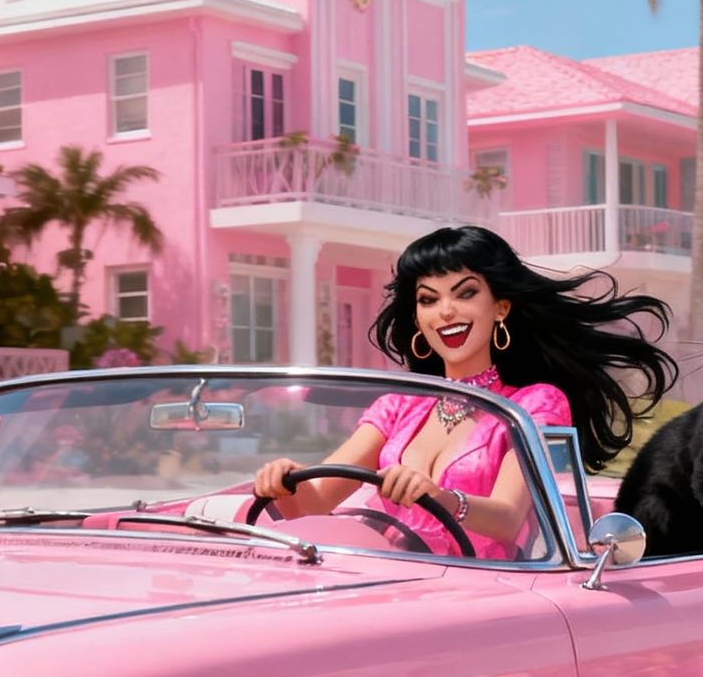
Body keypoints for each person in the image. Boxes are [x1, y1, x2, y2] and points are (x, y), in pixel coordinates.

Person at [253, 225, 677, 558]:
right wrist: (284, 482)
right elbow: (316, 501)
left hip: (482, 590)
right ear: (418, 318)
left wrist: (440, 497)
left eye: (465, 293)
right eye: (428, 299)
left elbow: (508, 518)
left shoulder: (532, 404)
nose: (446, 311)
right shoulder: (399, 403)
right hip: (388, 577)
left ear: (501, 306)